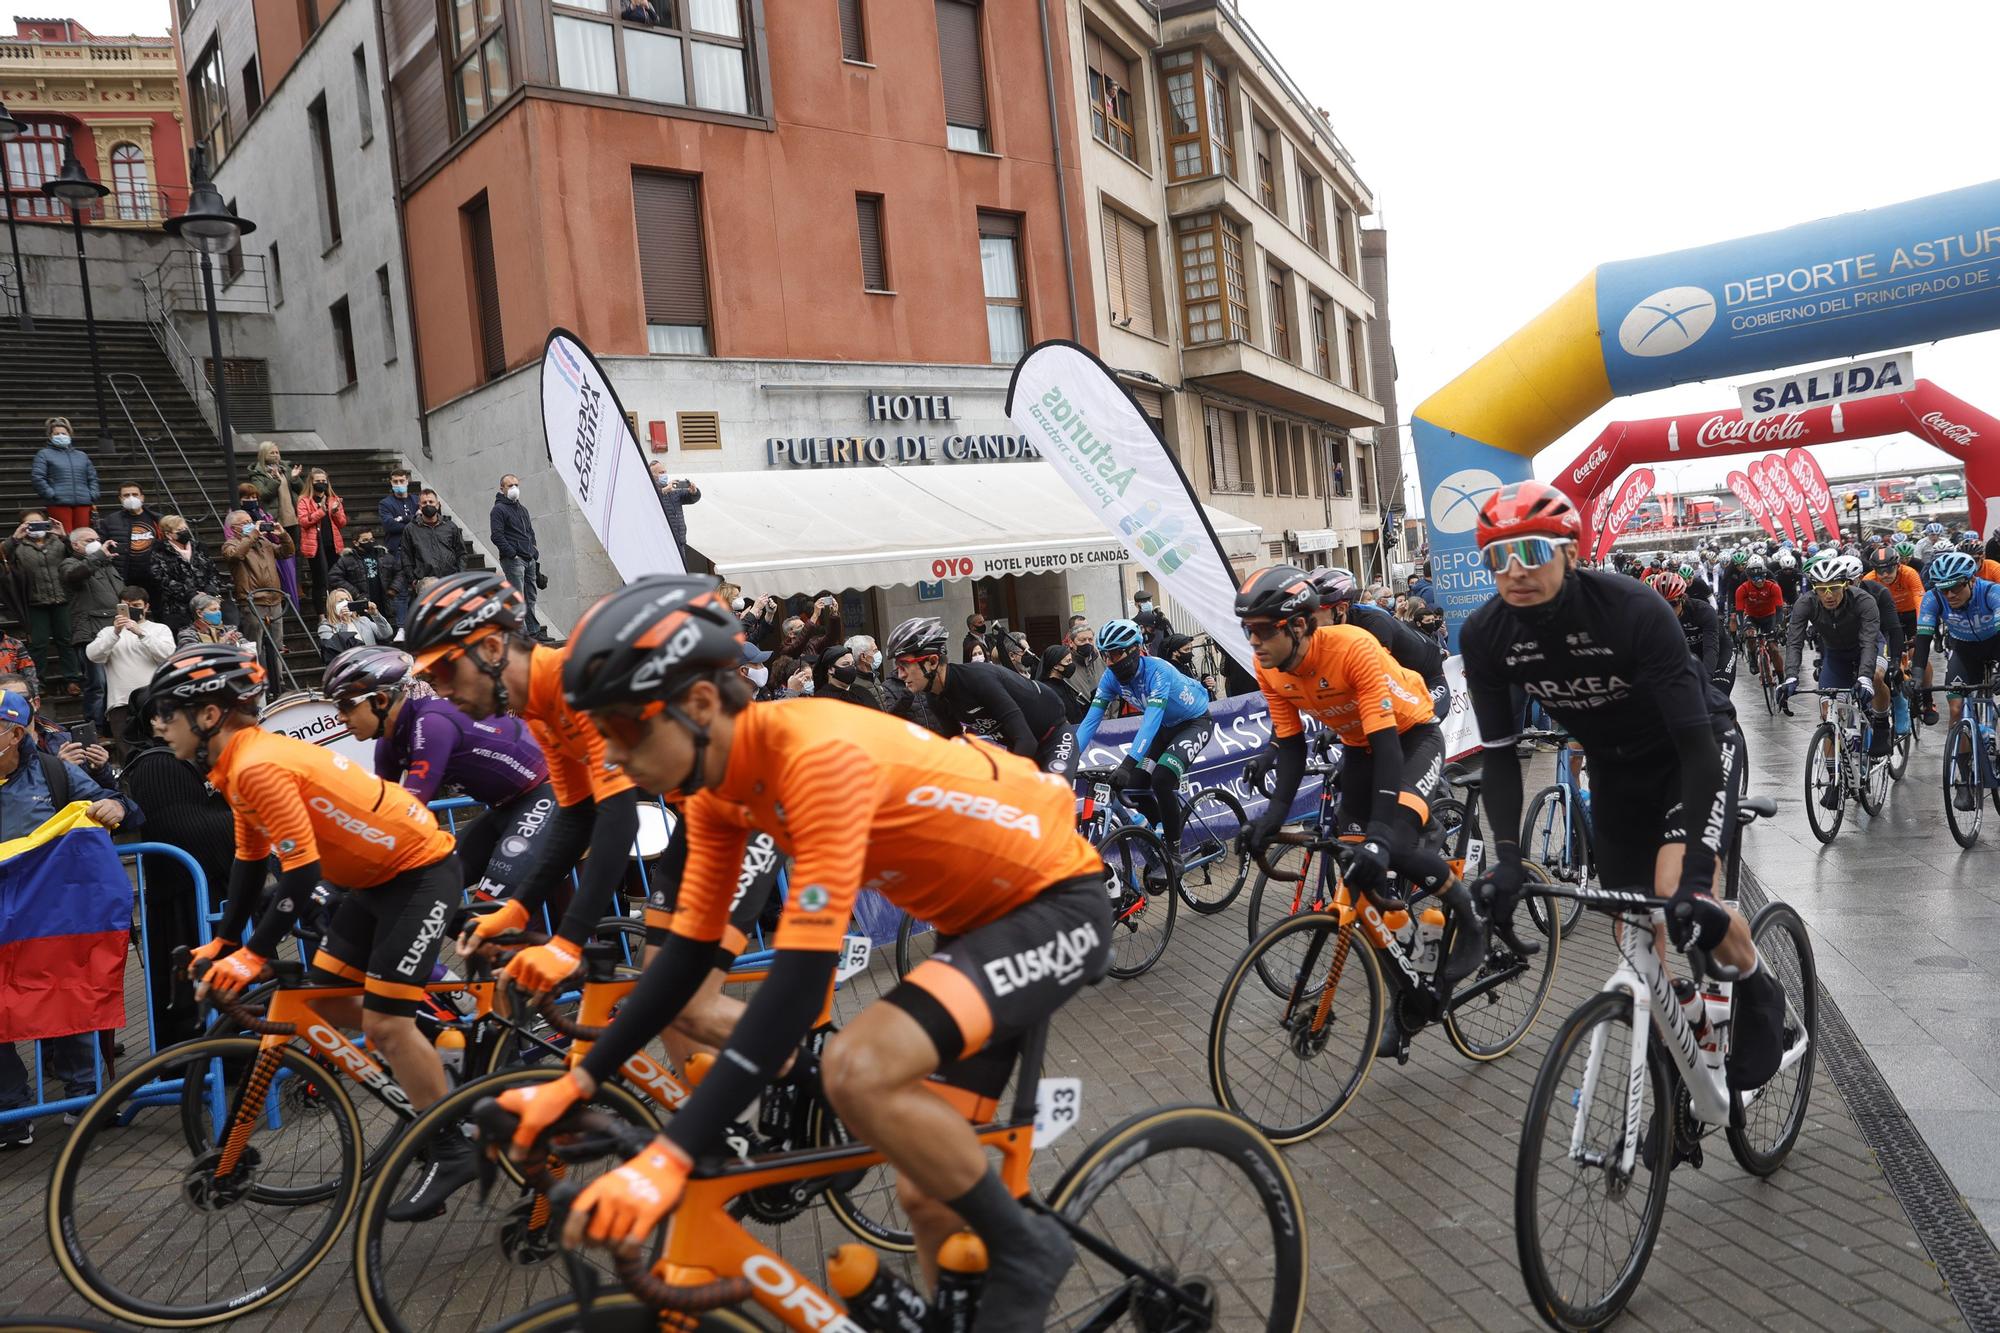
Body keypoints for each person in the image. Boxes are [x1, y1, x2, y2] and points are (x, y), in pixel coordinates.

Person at [491, 575, 1109, 1328]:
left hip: (1053, 901)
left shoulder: (815, 756)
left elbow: (794, 986)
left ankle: (1027, 1247)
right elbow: (685, 961)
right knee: (926, 1189)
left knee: (857, 1067)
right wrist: (578, 1081)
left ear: (697, 705)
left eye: (626, 732)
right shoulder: (721, 794)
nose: (617, 757)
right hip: (972, 923)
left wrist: (669, 1155)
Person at [1458, 481, 1786, 1095]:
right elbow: (1500, 757)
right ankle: (1676, 1042)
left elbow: (1693, 745)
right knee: (1630, 925)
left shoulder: (1631, 609)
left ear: (1571, 552)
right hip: (1615, 768)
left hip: (1689, 751)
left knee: (1678, 894)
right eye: (1497, 556)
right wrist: (1504, 858)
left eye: (1530, 552)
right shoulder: (1485, 635)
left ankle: (1760, 986)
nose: (1515, 571)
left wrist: (1694, 881)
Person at [151, 643, 471, 1192]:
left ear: (209, 715)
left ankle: (451, 1146)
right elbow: (248, 863)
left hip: (419, 871)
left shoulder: (257, 764)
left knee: (385, 1023)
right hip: (371, 881)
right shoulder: (235, 765)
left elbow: (300, 877)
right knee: (323, 1004)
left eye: (166, 713)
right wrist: (224, 943)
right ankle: (443, 1039)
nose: (157, 726)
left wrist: (252, 956)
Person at [1234, 565, 1485, 1023]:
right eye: (1247, 630)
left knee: (1395, 842)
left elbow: (1388, 745)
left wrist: (1380, 833)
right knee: (1359, 874)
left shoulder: (1354, 647)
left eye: (1263, 630)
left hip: (1411, 737)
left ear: (1298, 625)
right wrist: (1272, 818)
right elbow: (1289, 746)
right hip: (1360, 748)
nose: (1253, 641)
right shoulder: (1268, 667)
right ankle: (1415, 979)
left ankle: (1469, 918)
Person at [404, 573, 641, 1000]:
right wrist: (517, 908)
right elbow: (577, 817)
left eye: (444, 669)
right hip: (718, 819)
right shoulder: (537, 706)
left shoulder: (575, 682)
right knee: (671, 1008)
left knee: (685, 1005)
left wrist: (568, 942)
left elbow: (618, 819)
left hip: (767, 804)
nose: (439, 689)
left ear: (493, 648)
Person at [0, 688, 137, 1148]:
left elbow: (117, 802)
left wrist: (115, 807)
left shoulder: (56, 772)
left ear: (16, 733)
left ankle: (83, 1100)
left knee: (69, 1002)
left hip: (52, 921)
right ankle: (12, 1114)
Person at [1072, 618, 1213, 860]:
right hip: (1166, 727)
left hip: (1194, 723)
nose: (1109, 662)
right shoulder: (1110, 678)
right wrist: (1069, 758)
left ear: (1134, 650)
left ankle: (1174, 851)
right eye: (1105, 655)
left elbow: (1151, 720)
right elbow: (1090, 721)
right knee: (1133, 786)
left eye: (1115, 654)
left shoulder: (1159, 671)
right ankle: (1161, 827)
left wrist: (1128, 763)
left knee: (1162, 778)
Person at [886, 617, 1077, 777]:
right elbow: (955, 752)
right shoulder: (935, 697)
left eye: (904, 665)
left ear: (933, 662)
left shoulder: (978, 679)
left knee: (1049, 801)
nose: (900, 674)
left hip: (1054, 737)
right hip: (1019, 745)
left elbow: (1026, 740)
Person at [1780, 552, 1888, 768]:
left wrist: (1864, 677)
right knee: (1829, 712)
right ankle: (1833, 775)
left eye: (1834, 588)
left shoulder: (1863, 601)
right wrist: (1790, 676)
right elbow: (1794, 642)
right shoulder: (1806, 603)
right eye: (1821, 589)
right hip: (1836, 655)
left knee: (1875, 677)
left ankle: (1882, 723)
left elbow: (1868, 641)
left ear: (1845, 585)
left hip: (1868, 647)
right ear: (1814, 590)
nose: (1828, 595)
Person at [1911, 551, 2000, 802]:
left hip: (1997, 645)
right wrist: (1917, 675)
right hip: (1964, 651)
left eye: (1956, 587)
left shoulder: (1992, 592)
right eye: (1944, 588)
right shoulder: (1934, 598)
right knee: (1956, 708)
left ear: (1971, 580)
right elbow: (1924, 638)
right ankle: (1964, 781)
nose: (1950, 594)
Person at [1306, 566, 1449, 719]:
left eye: (1314, 610)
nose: (1308, 619)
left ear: (1340, 609)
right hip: (1400, 682)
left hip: (1428, 680)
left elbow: (1378, 681)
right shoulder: (1334, 629)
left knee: (1412, 730)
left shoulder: (1375, 624)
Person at [85, 586, 175, 759]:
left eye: (136, 605)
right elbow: (92, 655)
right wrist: (115, 632)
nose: (131, 609)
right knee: (129, 756)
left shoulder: (160, 629)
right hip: (121, 703)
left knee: (164, 749)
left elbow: (169, 655)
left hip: (154, 700)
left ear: (146, 607)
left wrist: (140, 633)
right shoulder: (107, 632)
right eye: (126, 605)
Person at [220, 509, 296, 681]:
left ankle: (279, 681)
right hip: (252, 602)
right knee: (255, 646)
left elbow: (287, 552)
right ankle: (258, 682)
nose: (251, 524)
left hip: (274, 599)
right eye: (245, 523)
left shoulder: (263, 541)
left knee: (277, 645)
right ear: (234, 528)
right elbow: (237, 555)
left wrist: (283, 535)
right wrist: (253, 534)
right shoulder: (230, 544)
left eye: (250, 521)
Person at [8, 510, 78, 694]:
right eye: (30, 524)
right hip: (34, 601)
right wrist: (15, 538)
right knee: (38, 643)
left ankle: (73, 679)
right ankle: (37, 682)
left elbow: (77, 554)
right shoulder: (18, 545)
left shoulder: (58, 542)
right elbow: (3, 557)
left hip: (62, 599)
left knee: (66, 639)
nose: (36, 527)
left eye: (39, 523)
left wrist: (64, 536)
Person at [61, 526, 124, 731]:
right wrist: (98, 556)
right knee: (97, 684)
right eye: (89, 541)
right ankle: (96, 726)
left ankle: (115, 724)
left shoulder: (108, 565)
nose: (95, 543)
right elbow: (75, 576)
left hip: (116, 631)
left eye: (97, 539)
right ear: (75, 545)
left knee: (118, 682)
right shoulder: (69, 564)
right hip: (90, 632)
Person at [489, 474, 553, 643]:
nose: (514, 488)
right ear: (501, 489)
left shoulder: (522, 509)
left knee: (530, 596)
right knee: (517, 597)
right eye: (510, 485)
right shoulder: (498, 510)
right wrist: (512, 553)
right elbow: (496, 536)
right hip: (514, 560)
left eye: (516, 484)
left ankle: (533, 631)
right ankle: (521, 634)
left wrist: (534, 551)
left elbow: (530, 532)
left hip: (529, 559)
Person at [1646, 572, 1729, 690]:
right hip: (1690, 655)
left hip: (1719, 651)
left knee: (1716, 692)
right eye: (1662, 604)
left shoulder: (1703, 611)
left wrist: (1705, 680)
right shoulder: (1655, 617)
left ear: (1682, 598)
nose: (1668, 609)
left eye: (1672, 603)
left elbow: (1710, 649)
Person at [151, 514, 226, 638]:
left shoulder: (199, 548)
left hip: (206, 605)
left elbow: (212, 571)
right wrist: (190, 593)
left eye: (185, 529)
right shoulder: (160, 552)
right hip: (178, 607)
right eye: (179, 531)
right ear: (169, 534)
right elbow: (161, 578)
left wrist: (210, 589)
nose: (184, 532)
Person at [252, 442, 303, 610]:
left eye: (277, 452)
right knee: (279, 555)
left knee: (296, 553)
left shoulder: (285, 469)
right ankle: (281, 587)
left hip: (292, 519)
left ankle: (297, 585)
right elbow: (264, 495)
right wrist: (274, 480)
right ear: (264, 455)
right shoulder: (257, 475)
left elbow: (302, 491)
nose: (276, 455)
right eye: (272, 452)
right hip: (275, 520)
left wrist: (295, 479)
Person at [96, 484, 165, 604]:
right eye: (126, 495)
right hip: (126, 575)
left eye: (135, 494)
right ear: (120, 499)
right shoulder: (110, 520)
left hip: (154, 575)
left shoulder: (157, 519)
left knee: (159, 609)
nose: (131, 498)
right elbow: (101, 544)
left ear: (142, 497)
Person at [31, 418, 99, 534]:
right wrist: (51, 494)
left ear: (70, 435)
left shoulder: (81, 455)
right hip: (58, 503)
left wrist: (92, 494)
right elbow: (38, 477)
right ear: (50, 436)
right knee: (63, 535)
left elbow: (92, 477)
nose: (60, 436)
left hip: (83, 502)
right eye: (56, 434)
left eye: (63, 433)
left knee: (83, 535)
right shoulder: (44, 454)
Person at [295, 467, 348, 614]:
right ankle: (321, 615)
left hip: (332, 544)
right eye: (318, 481)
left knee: (335, 578)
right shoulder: (304, 501)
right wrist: (321, 511)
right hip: (315, 546)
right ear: (311, 482)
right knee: (319, 580)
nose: (321, 483)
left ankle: (338, 611)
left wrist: (335, 512)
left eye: (324, 481)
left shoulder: (334, 499)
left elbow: (342, 523)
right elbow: (304, 521)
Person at [378, 470, 419, 625]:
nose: (399, 484)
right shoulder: (386, 503)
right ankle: (402, 626)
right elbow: (390, 525)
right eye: (395, 481)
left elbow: (423, 519)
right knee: (401, 591)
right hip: (398, 550)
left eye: (401, 481)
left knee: (420, 589)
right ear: (391, 482)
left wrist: (403, 518)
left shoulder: (416, 500)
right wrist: (413, 520)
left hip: (418, 550)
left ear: (407, 481)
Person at [401, 488, 465, 586]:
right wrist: (413, 580)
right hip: (426, 584)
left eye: (431, 502)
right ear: (420, 506)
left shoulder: (450, 526)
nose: (428, 504)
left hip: (451, 581)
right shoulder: (410, 529)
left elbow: (461, 553)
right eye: (424, 502)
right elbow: (406, 557)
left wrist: (459, 575)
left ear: (438, 504)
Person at [316, 589, 395, 660]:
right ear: (332, 606)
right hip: (347, 668)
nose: (345, 603)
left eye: (348, 600)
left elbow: (387, 633)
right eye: (340, 601)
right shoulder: (326, 627)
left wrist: (376, 614)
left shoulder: (363, 621)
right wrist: (342, 622)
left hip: (370, 663)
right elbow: (334, 648)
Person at [647, 462, 701, 563]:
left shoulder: (673, 490)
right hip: (663, 543)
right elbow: (648, 503)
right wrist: (663, 491)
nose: (664, 474)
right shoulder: (649, 491)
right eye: (661, 472)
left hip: (679, 540)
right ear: (652, 476)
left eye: (665, 472)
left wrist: (694, 492)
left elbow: (691, 499)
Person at [330, 527, 394, 612]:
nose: (370, 542)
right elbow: (334, 577)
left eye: (371, 539)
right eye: (365, 540)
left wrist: (394, 588)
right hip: (361, 604)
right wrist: (355, 593)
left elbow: (399, 571)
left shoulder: (383, 555)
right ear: (356, 543)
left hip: (383, 601)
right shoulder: (347, 559)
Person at [812, 640, 882, 710]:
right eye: (845, 664)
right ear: (830, 669)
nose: (851, 668)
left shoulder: (863, 692)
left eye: (853, 664)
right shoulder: (820, 699)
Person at [176, 592, 244, 650]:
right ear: (199, 613)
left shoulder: (229, 630)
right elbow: (193, 655)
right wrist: (221, 643)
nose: (218, 613)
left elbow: (248, 648)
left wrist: (236, 644)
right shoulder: (188, 634)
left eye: (219, 609)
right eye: (213, 610)